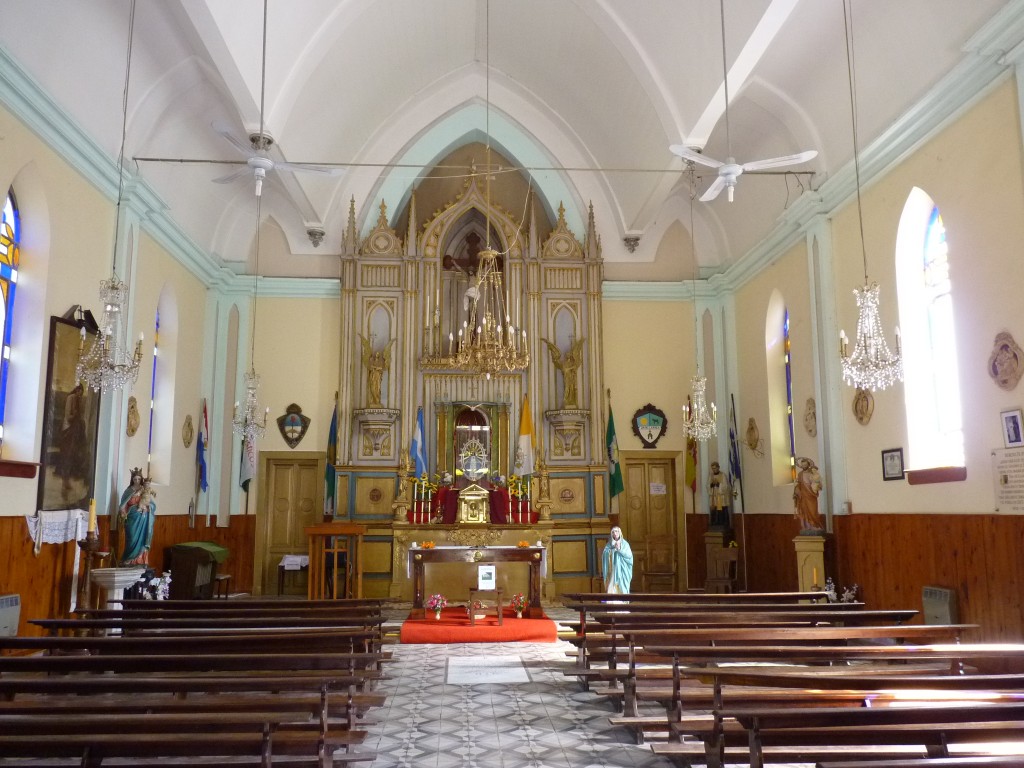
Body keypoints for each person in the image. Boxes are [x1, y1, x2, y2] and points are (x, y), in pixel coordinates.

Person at [118, 468, 156, 566]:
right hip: (131, 519)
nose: (137, 481)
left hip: (143, 518)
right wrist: (123, 512)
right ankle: (129, 559)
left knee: (142, 539)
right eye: (135, 479)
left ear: (141, 479)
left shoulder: (144, 490)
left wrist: (148, 507)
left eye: (139, 479)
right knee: (131, 539)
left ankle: (140, 560)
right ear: (132, 479)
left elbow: (152, 504)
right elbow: (123, 505)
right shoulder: (128, 491)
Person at [793, 457, 824, 532]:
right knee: (804, 510)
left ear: (808, 465)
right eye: (802, 465)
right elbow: (798, 484)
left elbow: (818, 484)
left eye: (805, 465)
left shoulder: (812, 473)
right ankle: (807, 526)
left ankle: (814, 525)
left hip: (811, 495)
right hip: (803, 496)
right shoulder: (800, 474)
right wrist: (796, 490)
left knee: (813, 510)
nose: (804, 466)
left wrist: (817, 486)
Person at [601, 526, 634, 594]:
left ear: (620, 533)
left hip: (622, 569)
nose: (615, 533)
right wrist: (612, 551)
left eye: (616, 531)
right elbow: (605, 554)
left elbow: (629, 556)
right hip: (612, 568)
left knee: (622, 584)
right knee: (611, 586)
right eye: (613, 532)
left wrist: (619, 549)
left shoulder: (625, 544)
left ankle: (622, 600)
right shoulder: (609, 544)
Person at [707, 462, 732, 529]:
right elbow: (707, 486)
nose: (714, 470)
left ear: (718, 467)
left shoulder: (723, 475)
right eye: (712, 469)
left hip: (721, 497)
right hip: (713, 497)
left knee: (721, 510)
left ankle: (723, 524)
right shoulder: (711, 476)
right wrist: (711, 485)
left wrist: (718, 484)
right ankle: (714, 524)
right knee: (714, 511)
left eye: (715, 468)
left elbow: (726, 486)